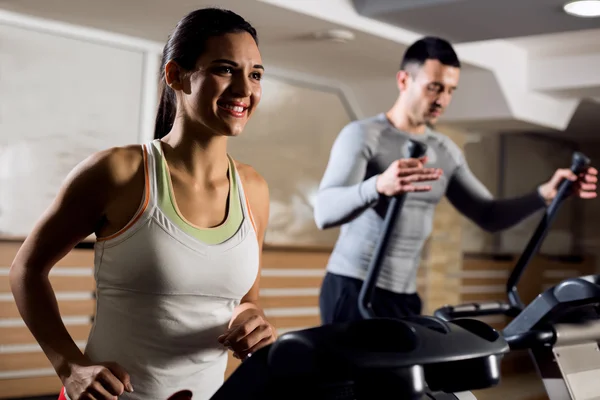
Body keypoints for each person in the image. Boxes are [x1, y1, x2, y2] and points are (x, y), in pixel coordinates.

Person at [9, 7, 275, 400]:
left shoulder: (253, 188)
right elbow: (26, 270)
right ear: (176, 75)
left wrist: (251, 319)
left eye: (254, 74)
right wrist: (70, 366)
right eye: (224, 69)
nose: (244, 89)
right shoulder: (119, 172)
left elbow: (244, 299)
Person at [314, 36, 598, 325]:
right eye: (434, 87)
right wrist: (377, 185)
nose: (442, 100)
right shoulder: (364, 135)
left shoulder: (444, 150)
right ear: (403, 80)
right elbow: (324, 212)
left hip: (404, 296)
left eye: (450, 90)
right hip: (353, 287)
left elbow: (488, 214)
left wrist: (545, 194)